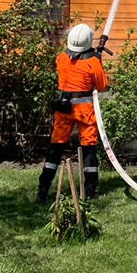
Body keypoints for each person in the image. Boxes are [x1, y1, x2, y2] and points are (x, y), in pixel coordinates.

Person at [36, 23, 109, 203]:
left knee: (56, 147)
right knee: (88, 148)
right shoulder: (92, 63)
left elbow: (74, 64)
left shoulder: (60, 58)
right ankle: (90, 189)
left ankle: (43, 189)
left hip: (63, 109)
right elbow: (101, 86)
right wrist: (97, 59)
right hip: (84, 112)